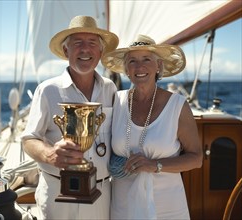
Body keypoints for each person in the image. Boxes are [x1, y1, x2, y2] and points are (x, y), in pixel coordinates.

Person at [21, 15, 119, 219]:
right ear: (66, 51)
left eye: (92, 43)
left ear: (100, 51)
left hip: (101, 194)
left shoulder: (110, 88)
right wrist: (49, 154)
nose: (85, 49)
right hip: (58, 194)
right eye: (77, 43)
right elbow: (29, 139)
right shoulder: (47, 90)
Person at [101, 34, 203, 219]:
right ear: (126, 69)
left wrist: (155, 165)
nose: (140, 67)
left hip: (166, 207)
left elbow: (196, 159)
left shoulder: (178, 106)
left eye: (147, 59)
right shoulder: (116, 101)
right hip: (122, 205)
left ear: (158, 66)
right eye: (132, 61)